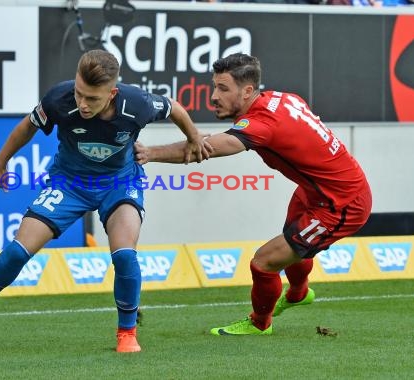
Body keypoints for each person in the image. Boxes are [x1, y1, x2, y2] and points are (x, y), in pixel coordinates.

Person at [0, 49, 210, 352]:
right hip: (68, 183)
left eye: (92, 98)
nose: (82, 103)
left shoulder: (137, 104)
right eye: (79, 94)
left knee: (124, 256)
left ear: (112, 93)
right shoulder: (59, 99)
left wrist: (194, 137)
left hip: (119, 183)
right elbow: (27, 125)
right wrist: (1, 163)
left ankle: (127, 333)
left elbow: (174, 108)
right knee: (17, 251)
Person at [134, 53, 372, 335]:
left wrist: (150, 153)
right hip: (316, 192)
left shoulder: (263, 124)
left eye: (223, 89)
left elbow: (206, 148)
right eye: (215, 86)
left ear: (247, 91)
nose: (214, 96)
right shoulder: (282, 99)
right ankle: (298, 293)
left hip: (342, 204)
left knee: (264, 263)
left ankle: (260, 324)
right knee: (292, 244)